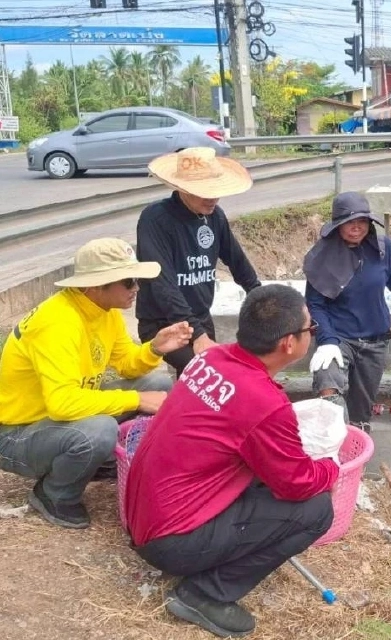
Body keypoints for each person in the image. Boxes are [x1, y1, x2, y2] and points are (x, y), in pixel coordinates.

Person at [125, 284, 340, 639]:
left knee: (264, 476)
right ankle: (204, 594)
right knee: (316, 510)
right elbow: (297, 482)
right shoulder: (264, 401)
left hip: (142, 515)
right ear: (289, 343)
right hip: (170, 540)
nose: (311, 334)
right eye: (311, 329)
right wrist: (330, 466)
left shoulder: (212, 357)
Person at [0, 238, 192, 529]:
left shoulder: (103, 311)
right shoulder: (59, 323)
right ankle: (54, 494)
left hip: (55, 415)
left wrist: (155, 348)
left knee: (157, 383)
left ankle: (95, 461)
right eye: (129, 281)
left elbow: (127, 363)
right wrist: (137, 401)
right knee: (99, 430)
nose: (136, 288)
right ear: (95, 285)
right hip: (17, 432)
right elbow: (62, 403)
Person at [303, 191, 391, 432]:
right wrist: (327, 341)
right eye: (349, 222)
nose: (356, 227)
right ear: (337, 225)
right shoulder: (321, 257)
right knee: (328, 378)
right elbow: (315, 304)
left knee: (361, 411)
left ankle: (356, 451)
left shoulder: (382, 247)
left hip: (375, 341)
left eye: (361, 221)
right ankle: (332, 442)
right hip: (340, 338)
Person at [135, 146, 261, 377]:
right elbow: (162, 284)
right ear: (182, 188)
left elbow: (236, 260)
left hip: (200, 316)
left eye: (215, 190)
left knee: (209, 379)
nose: (212, 198)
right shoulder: (156, 219)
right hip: (165, 322)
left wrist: (260, 296)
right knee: (206, 374)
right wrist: (198, 336)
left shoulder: (215, 216)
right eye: (204, 191)